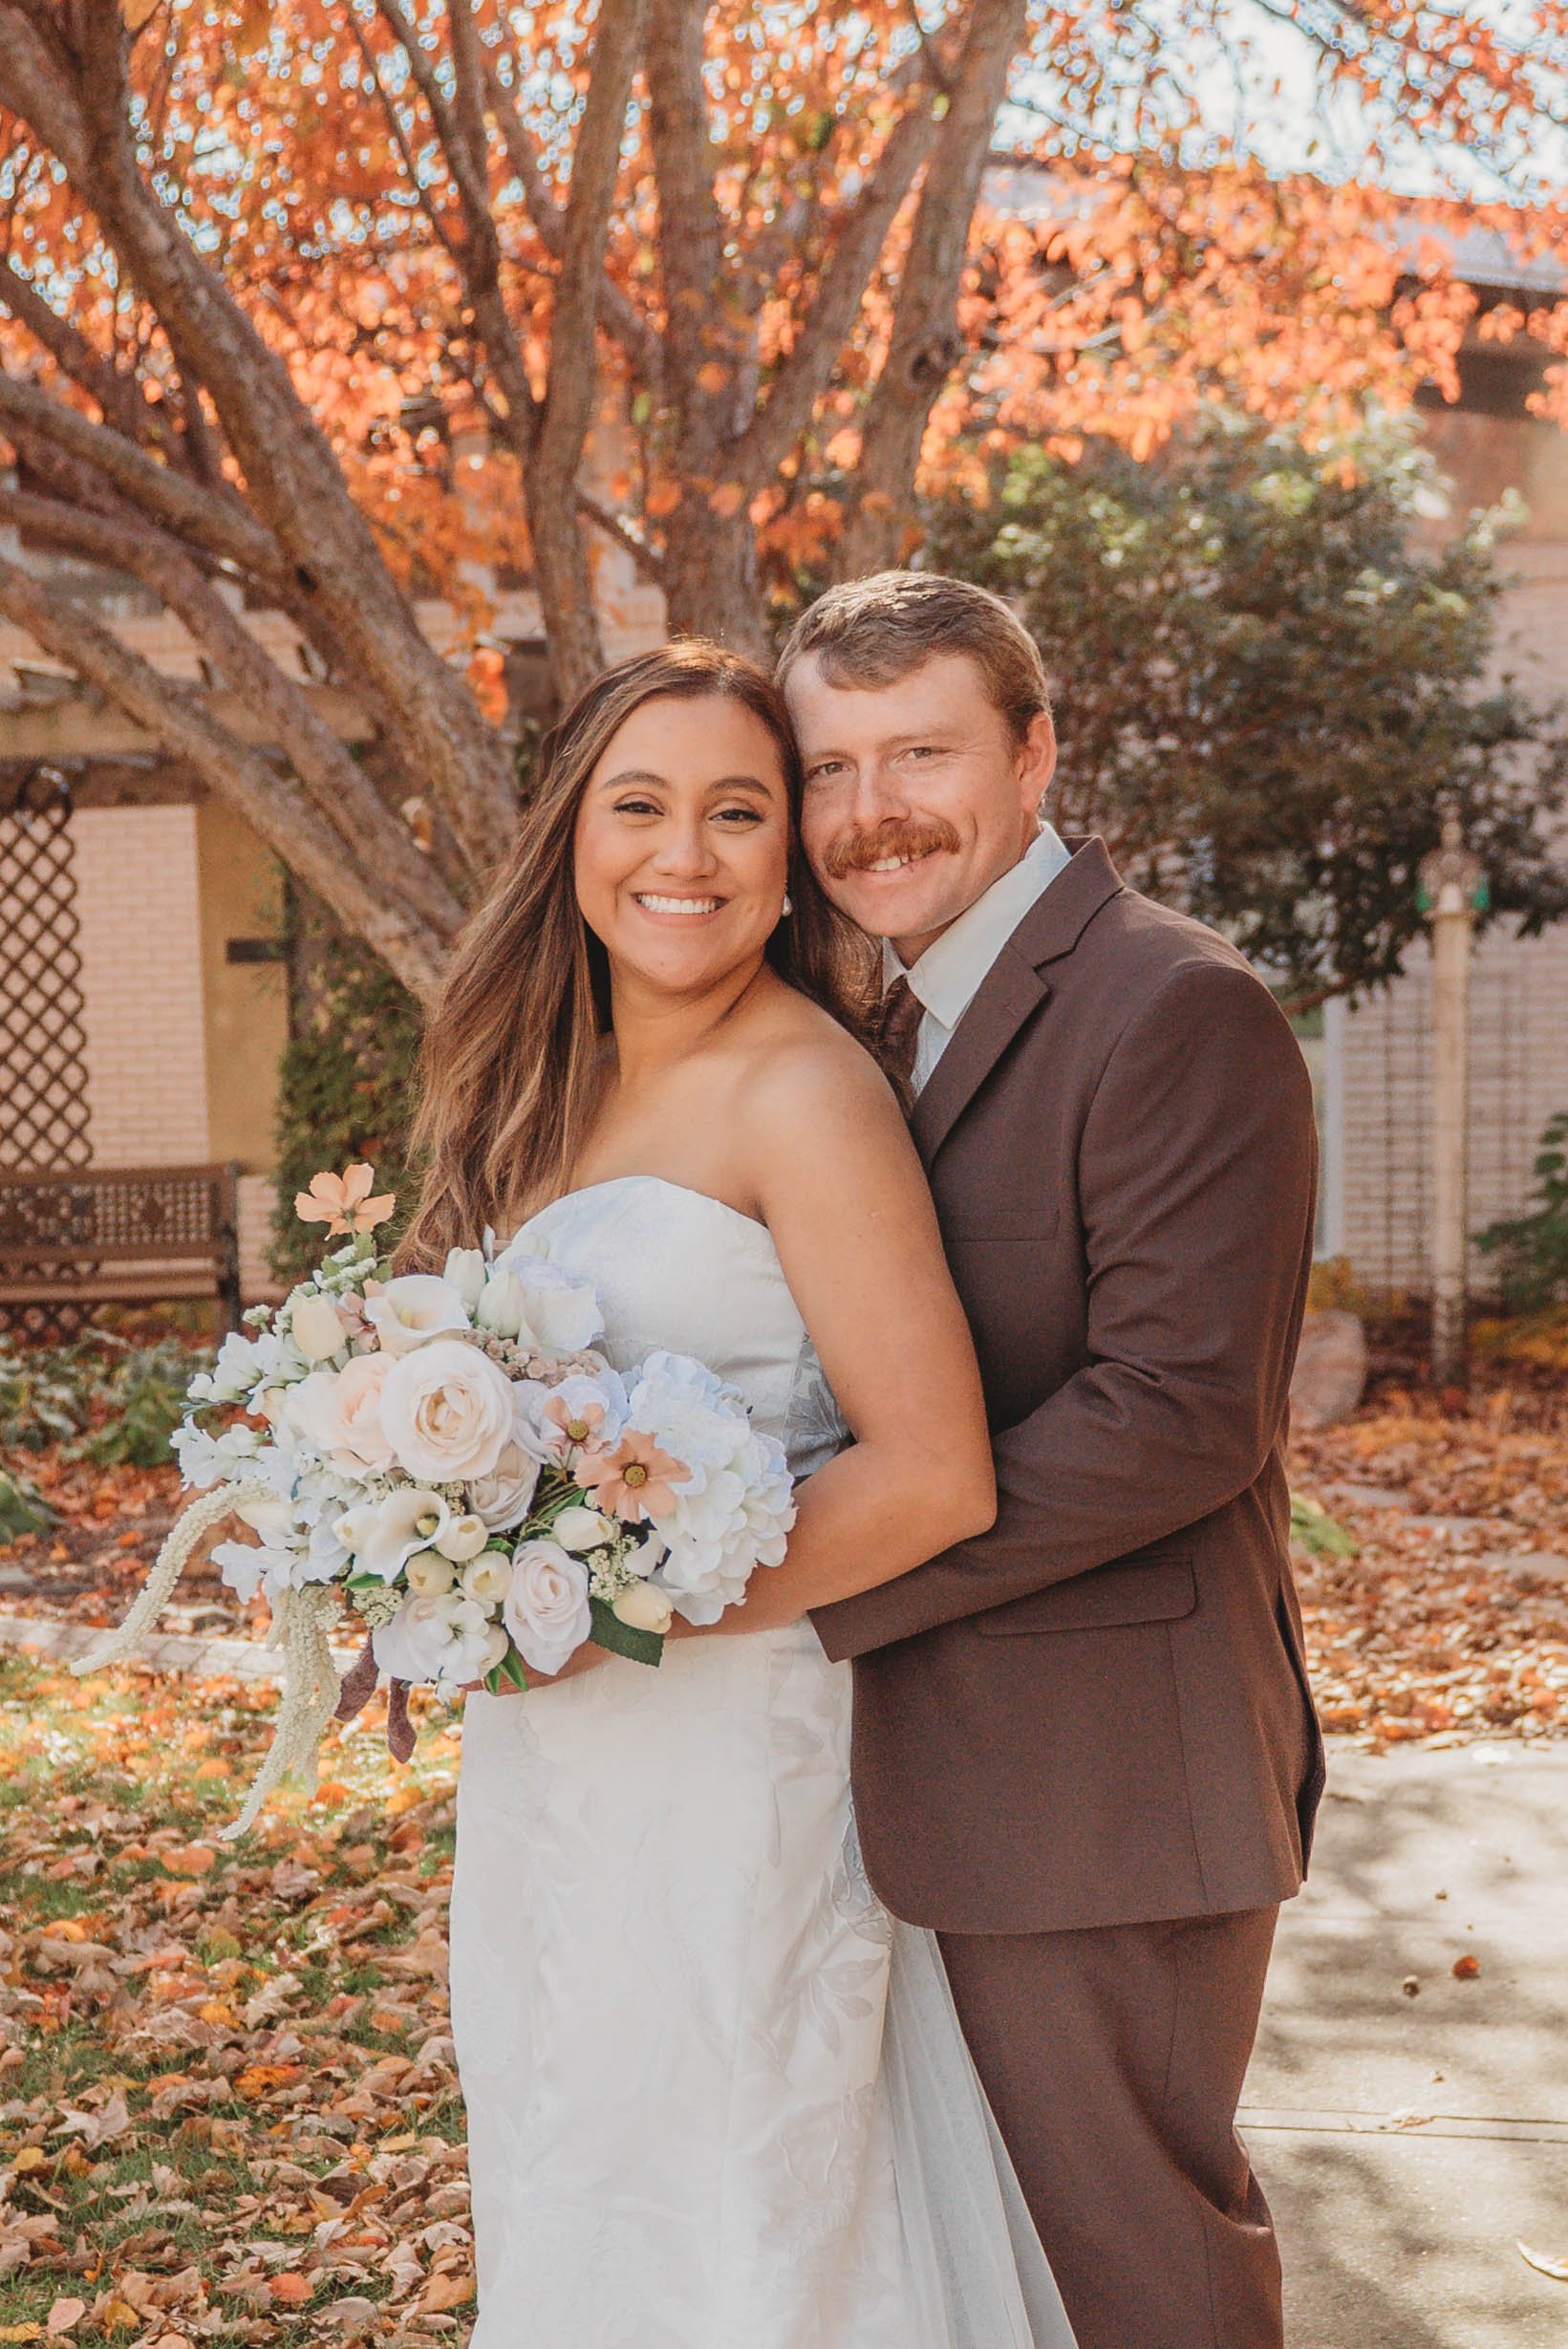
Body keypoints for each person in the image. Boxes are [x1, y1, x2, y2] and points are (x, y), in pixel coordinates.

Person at [397, 641, 1077, 2349]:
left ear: (788, 861)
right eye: (639, 805)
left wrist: (601, 1601)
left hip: (735, 1773)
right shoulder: (531, 1086)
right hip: (548, 1769)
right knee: (568, 2151)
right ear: (570, 832)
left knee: (737, 2201)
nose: (681, 854)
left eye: (737, 811)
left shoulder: (807, 1091)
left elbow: (932, 1477)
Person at [775, 570, 1325, 2349]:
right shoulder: (884, 1022)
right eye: (832, 765)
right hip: (941, 1783)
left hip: (1104, 1785)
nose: (872, 812)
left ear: (1033, 756)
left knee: (1140, 2273)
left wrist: (819, 1559)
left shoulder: (1169, 1003)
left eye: (918, 751)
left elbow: (1178, 1412)